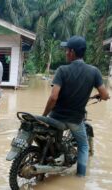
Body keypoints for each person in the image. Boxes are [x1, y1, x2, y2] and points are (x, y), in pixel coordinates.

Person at [41, 35, 110, 176]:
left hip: (56, 117)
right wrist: (102, 96)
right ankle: (80, 178)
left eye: (66, 50)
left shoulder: (62, 70)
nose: (65, 52)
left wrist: (44, 115)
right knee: (83, 146)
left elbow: (53, 97)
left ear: (72, 51)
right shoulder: (94, 72)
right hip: (75, 120)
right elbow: (105, 95)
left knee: (52, 137)